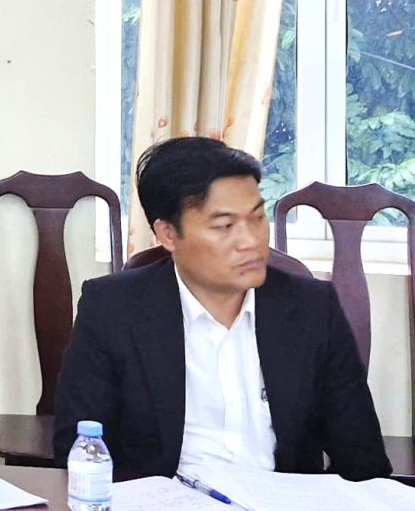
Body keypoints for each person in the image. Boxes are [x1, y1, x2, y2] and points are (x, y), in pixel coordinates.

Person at [52, 137, 390, 480]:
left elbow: (363, 459)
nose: (251, 241)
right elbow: (78, 448)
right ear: (167, 234)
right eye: (224, 226)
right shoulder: (112, 308)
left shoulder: (312, 309)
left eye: (257, 218)